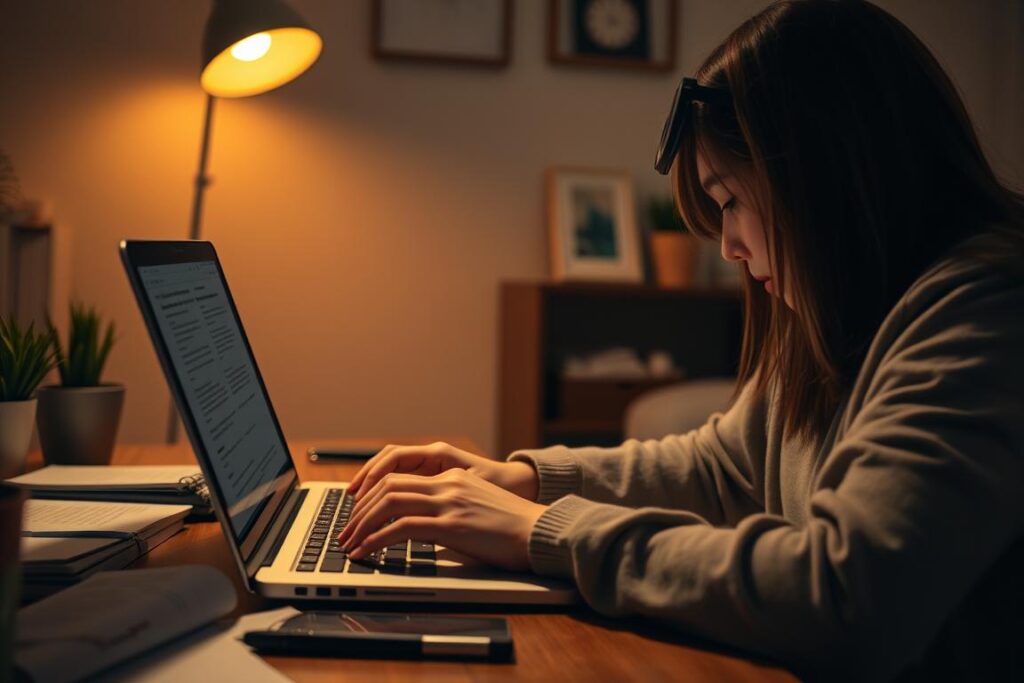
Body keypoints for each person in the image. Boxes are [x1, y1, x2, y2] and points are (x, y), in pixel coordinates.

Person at [337, 1, 1024, 680]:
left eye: (729, 201)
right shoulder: (846, 306)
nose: (727, 246)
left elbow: (845, 596)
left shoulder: (987, 310)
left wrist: (540, 531)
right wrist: (524, 479)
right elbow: (723, 469)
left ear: (825, 173)